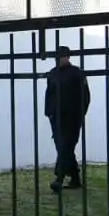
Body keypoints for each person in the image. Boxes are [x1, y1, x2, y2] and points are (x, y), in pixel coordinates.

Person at [44, 46, 91, 192]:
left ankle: (59, 178)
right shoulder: (53, 73)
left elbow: (85, 96)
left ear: (68, 57)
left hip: (72, 116)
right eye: (57, 57)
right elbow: (49, 94)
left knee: (66, 146)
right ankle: (75, 178)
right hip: (56, 117)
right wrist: (49, 113)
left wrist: (80, 113)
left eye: (62, 56)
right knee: (63, 147)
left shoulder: (77, 73)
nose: (59, 60)